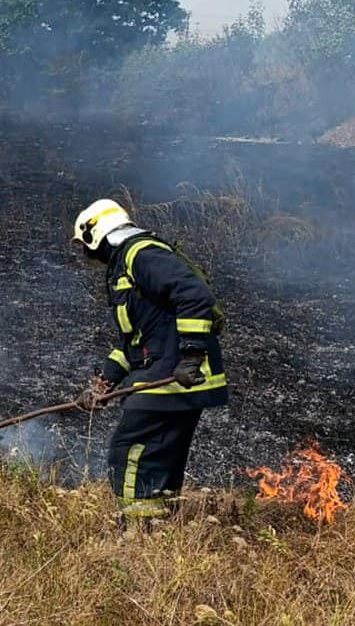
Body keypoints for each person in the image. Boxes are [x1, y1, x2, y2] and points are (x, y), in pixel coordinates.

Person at [72, 199, 229, 525]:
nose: (90, 258)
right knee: (159, 455)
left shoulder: (140, 254)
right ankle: (161, 527)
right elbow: (135, 345)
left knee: (129, 450)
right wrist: (103, 383)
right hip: (172, 371)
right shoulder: (127, 266)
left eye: (89, 248)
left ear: (97, 235)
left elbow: (195, 295)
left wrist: (190, 357)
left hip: (178, 375)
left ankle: (136, 532)